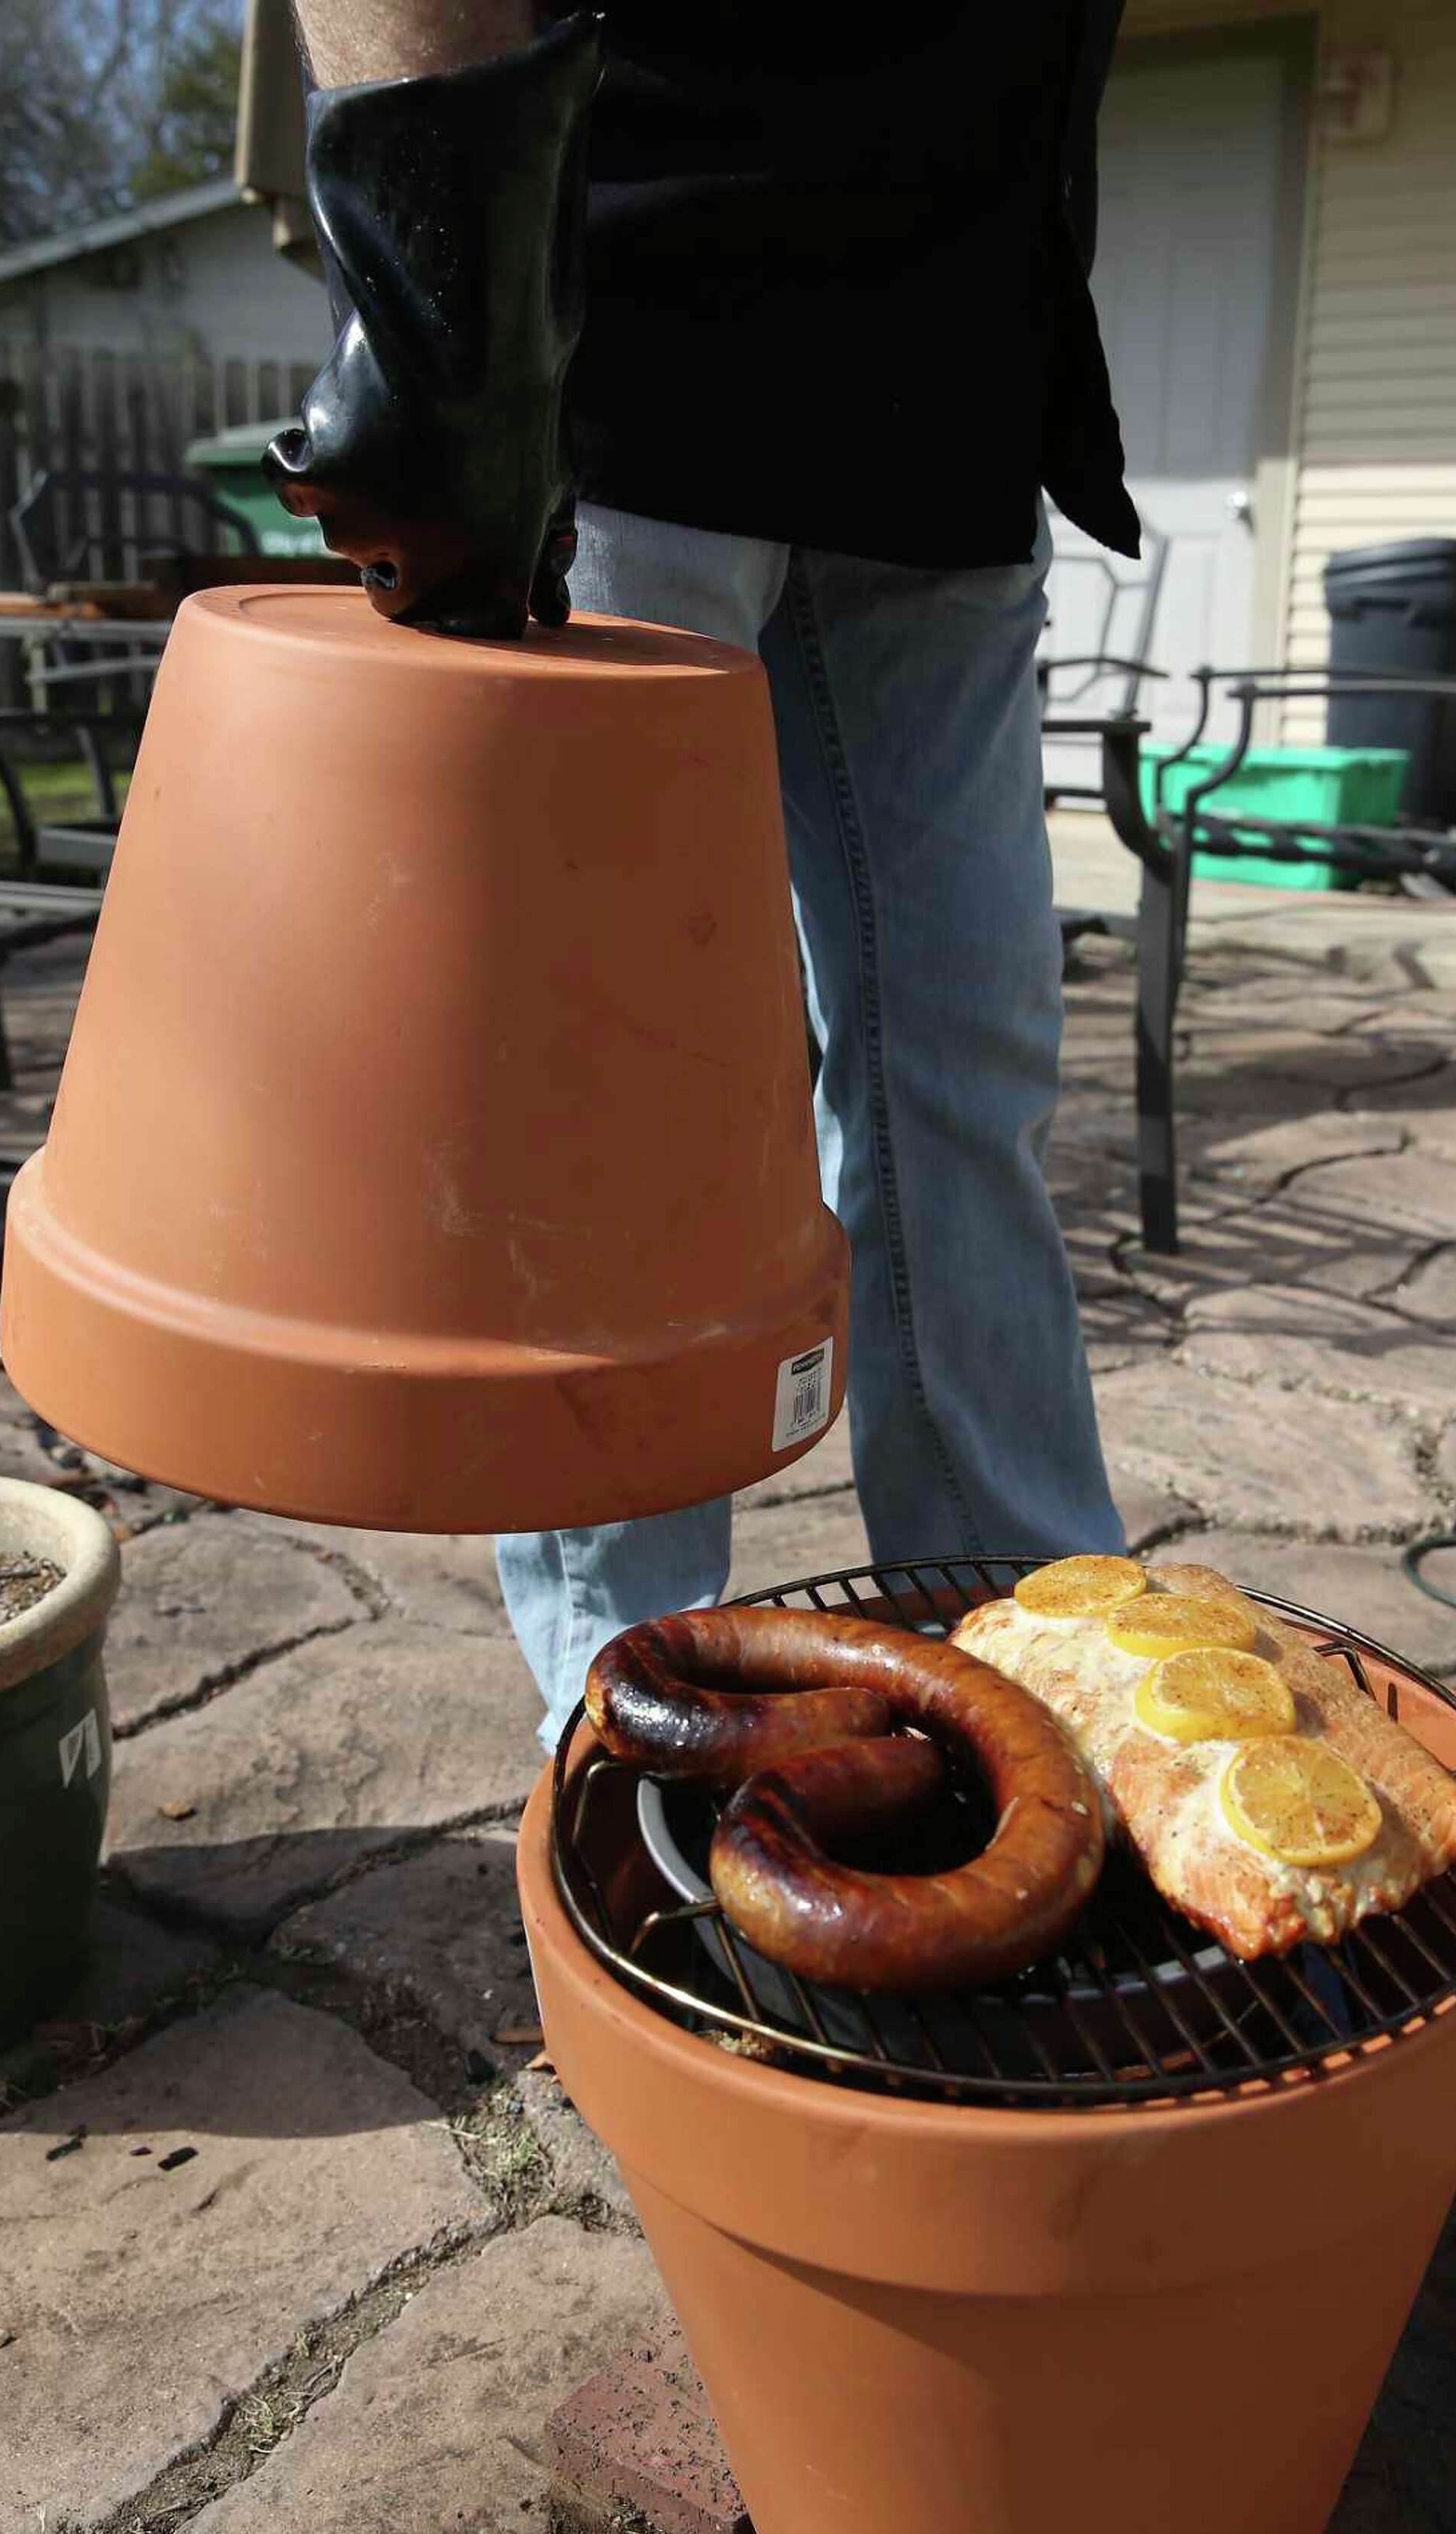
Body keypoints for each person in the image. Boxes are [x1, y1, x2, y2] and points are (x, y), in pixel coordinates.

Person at [271, 1, 1140, 1750]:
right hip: (618, 375)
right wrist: (446, 310)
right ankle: (638, 1710)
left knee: (963, 1083)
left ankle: (1032, 1664)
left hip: (954, 402)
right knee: (615, 1111)